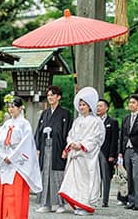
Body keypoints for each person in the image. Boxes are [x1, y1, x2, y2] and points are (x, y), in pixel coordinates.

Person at [0, 95, 42, 219]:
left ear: (20, 108)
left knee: (17, 192)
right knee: (6, 189)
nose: (11, 109)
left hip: (18, 163)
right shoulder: (6, 124)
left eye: (13, 106)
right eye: (9, 106)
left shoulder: (25, 125)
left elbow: (26, 144)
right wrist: (3, 155)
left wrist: (12, 157)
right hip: (6, 160)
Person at [58, 87, 105, 216]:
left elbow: (96, 138)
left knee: (86, 180)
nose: (82, 107)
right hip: (76, 156)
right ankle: (78, 203)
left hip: (86, 156)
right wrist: (71, 144)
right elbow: (71, 135)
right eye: (80, 104)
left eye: (84, 104)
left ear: (90, 106)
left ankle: (86, 204)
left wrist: (82, 145)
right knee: (74, 180)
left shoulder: (95, 121)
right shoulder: (77, 120)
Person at [34, 86, 72, 213]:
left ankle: (61, 204)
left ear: (58, 97)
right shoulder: (45, 113)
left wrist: (65, 149)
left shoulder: (65, 113)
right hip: (45, 148)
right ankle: (46, 203)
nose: (50, 97)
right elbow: (38, 132)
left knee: (57, 175)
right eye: (48, 95)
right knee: (45, 174)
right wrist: (38, 147)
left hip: (58, 148)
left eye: (52, 95)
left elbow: (68, 132)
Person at [96, 99, 119, 207]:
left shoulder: (112, 122)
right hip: (95, 151)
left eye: (100, 106)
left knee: (106, 176)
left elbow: (114, 140)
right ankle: (95, 198)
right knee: (95, 175)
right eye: (97, 106)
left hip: (106, 152)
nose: (98, 108)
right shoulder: (94, 121)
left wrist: (112, 155)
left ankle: (105, 200)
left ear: (106, 108)